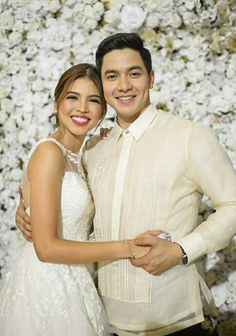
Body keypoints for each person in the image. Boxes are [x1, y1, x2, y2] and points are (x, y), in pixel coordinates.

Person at [15, 33, 236, 335]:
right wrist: (25, 209)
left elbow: (233, 204)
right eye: (112, 76)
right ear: (104, 86)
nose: (124, 86)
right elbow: (67, 204)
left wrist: (180, 250)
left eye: (134, 73)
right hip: (102, 315)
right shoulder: (93, 148)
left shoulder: (190, 137)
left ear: (151, 78)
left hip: (171, 319)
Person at [0, 63, 150, 336]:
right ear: (57, 102)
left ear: (103, 112)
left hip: (76, 278)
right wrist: (127, 248)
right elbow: (46, 248)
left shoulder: (81, 157)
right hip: (48, 283)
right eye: (72, 97)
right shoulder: (50, 152)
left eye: (93, 100)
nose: (82, 108)